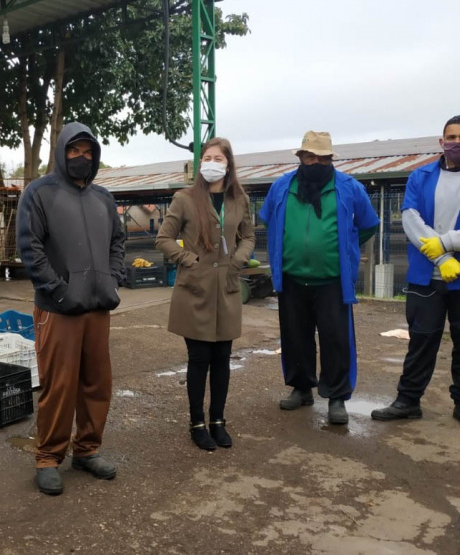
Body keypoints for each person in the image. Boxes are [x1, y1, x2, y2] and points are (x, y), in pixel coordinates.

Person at [371, 115, 460, 431]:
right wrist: (439, 258)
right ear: (441, 141)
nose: (458, 142)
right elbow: (410, 220)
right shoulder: (420, 176)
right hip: (426, 276)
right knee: (421, 341)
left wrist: (446, 245)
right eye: (452, 136)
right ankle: (408, 401)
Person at [16, 122, 126, 495]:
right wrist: (58, 291)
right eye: (74, 151)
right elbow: (30, 248)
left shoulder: (104, 199)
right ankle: (48, 457)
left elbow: (118, 242)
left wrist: (113, 279)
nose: (82, 158)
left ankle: (87, 449)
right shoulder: (39, 193)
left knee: (97, 383)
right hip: (58, 310)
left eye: (88, 152)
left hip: (98, 308)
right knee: (58, 386)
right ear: (62, 153)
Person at [258, 131, 379, 425]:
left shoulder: (349, 187)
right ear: (300, 158)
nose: (317, 162)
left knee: (336, 340)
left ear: (331, 159)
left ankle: (337, 397)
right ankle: (302, 388)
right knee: (295, 337)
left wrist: (346, 247)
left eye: (323, 158)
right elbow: (267, 220)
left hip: (332, 280)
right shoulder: (281, 187)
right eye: (311, 157)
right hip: (292, 278)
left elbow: (368, 225)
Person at [156, 138, 256, 451]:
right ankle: (197, 423)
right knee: (199, 358)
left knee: (222, 358)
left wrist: (238, 260)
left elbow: (249, 236)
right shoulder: (184, 198)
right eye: (207, 157)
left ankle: (218, 421)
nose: (212, 162)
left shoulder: (239, 199)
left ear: (228, 164)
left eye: (218, 158)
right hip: (194, 290)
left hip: (226, 288)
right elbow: (164, 238)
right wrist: (190, 260)